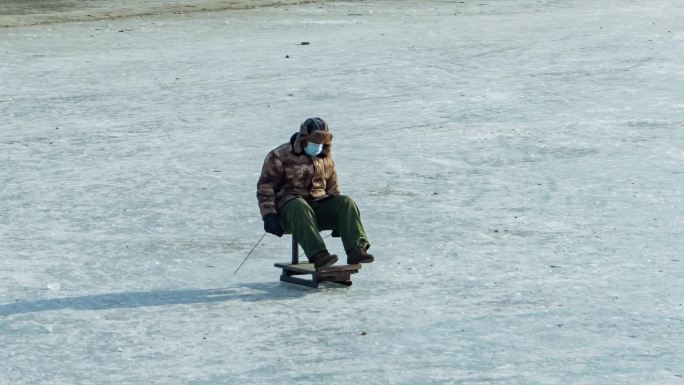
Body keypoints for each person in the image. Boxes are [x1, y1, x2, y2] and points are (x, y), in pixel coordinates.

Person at [256, 117, 374, 269]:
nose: (318, 146)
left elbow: (332, 188)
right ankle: (318, 255)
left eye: (321, 143)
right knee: (299, 205)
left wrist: (341, 219)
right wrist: (269, 215)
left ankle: (356, 250)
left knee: (346, 202)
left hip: (317, 207)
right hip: (289, 212)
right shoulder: (280, 156)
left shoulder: (325, 157)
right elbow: (265, 187)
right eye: (314, 142)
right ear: (303, 139)